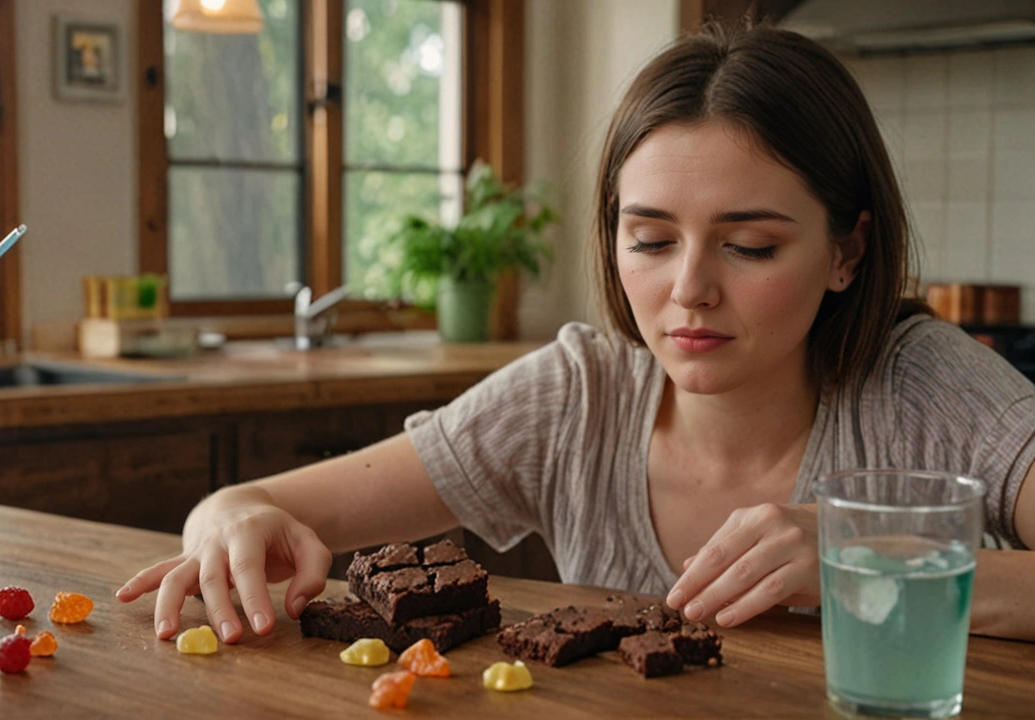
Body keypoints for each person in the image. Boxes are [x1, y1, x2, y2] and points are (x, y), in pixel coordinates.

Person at [117, 23, 1035, 644]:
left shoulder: (926, 388)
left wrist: (873, 561)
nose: (689, 290)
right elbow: (242, 506)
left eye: (750, 245)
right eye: (650, 239)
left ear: (848, 250)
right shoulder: (578, 395)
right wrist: (234, 519)